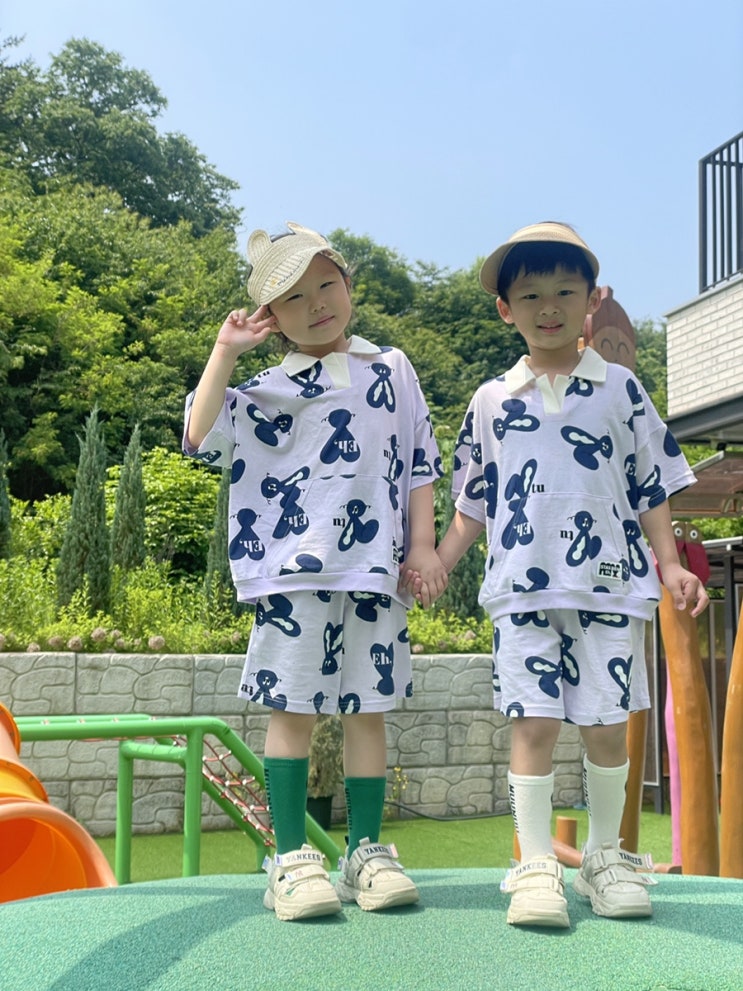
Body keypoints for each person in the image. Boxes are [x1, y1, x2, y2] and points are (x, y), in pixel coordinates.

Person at [415, 221, 709, 928]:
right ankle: (537, 864)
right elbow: (472, 504)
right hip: (522, 590)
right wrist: (436, 559)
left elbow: (650, 485)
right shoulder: (491, 400)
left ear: (592, 300)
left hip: (611, 588)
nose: (548, 307)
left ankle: (605, 858)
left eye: (565, 292)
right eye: (531, 295)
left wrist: (670, 563)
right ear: (504, 309)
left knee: (606, 727)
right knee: (534, 724)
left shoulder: (622, 391)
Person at [183, 222, 447, 921]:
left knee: (368, 713)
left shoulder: (392, 368)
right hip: (291, 573)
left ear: (349, 284)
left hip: (373, 571)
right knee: (292, 710)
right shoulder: (266, 388)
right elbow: (199, 434)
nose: (317, 303)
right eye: (293, 297)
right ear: (272, 317)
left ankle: (365, 853)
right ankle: (291, 858)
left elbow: (420, 460)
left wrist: (422, 545)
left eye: (326, 283)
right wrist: (224, 350)